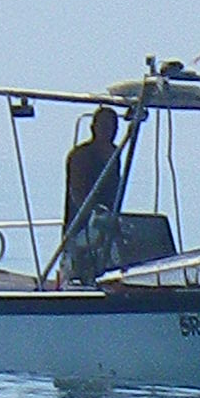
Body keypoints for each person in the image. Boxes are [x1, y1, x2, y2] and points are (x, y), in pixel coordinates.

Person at [59, 102, 126, 275]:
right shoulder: (81, 155)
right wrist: (95, 216)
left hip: (106, 226)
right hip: (82, 227)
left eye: (113, 127)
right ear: (93, 127)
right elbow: (78, 194)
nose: (108, 131)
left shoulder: (115, 153)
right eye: (104, 126)